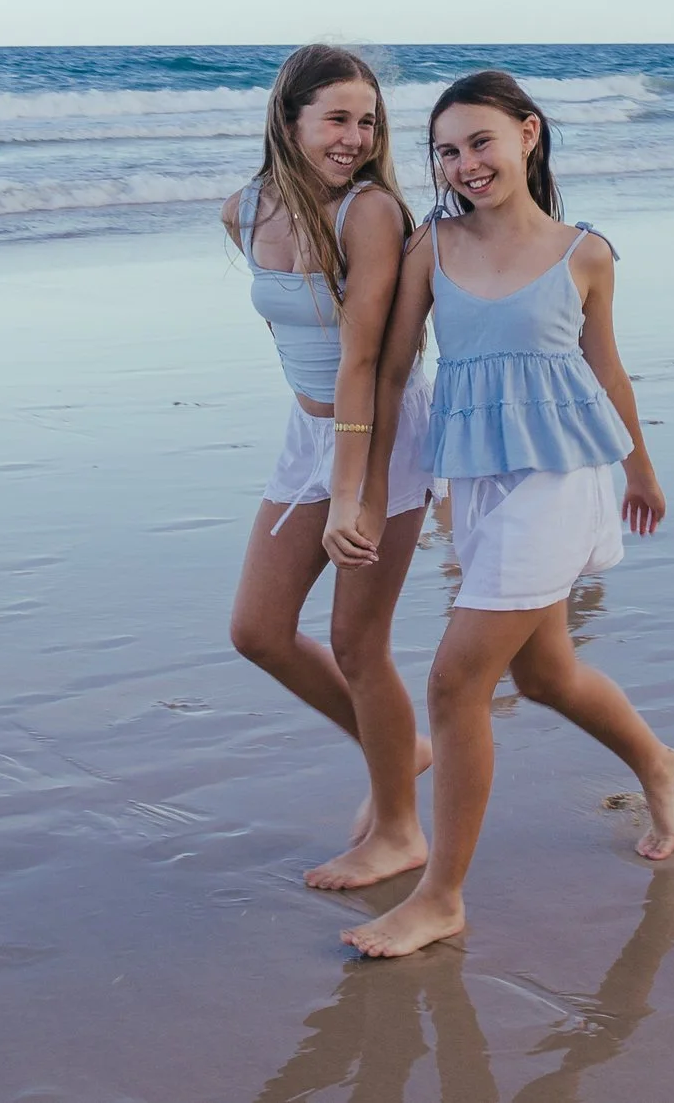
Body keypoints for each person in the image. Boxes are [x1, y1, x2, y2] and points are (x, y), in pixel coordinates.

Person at [341, 69, 674, 959]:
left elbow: (608, 372)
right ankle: (660, 764)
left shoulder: (585, 253)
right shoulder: (432, 246)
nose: (465, 164)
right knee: (544, 678)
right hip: (481, 487)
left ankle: (442, 895)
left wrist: (641, 469)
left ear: (528, 134)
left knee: (457, 681)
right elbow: (389, 372)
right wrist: (380, 486)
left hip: (563, 480)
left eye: (481, 142)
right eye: (447, 151)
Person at [222, 44, 440, 891]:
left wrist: (354, 490)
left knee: (357, 641)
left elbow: (363, 361)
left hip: (382, 433)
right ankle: (400, 747)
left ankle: (398, 830)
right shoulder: (241, 212)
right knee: (258, 632)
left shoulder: (371, 213)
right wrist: (314, 443)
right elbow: (290, 336)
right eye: (338, 119)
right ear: (290, 119)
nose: (356, 137)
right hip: (306, 433)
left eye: (368, 121)